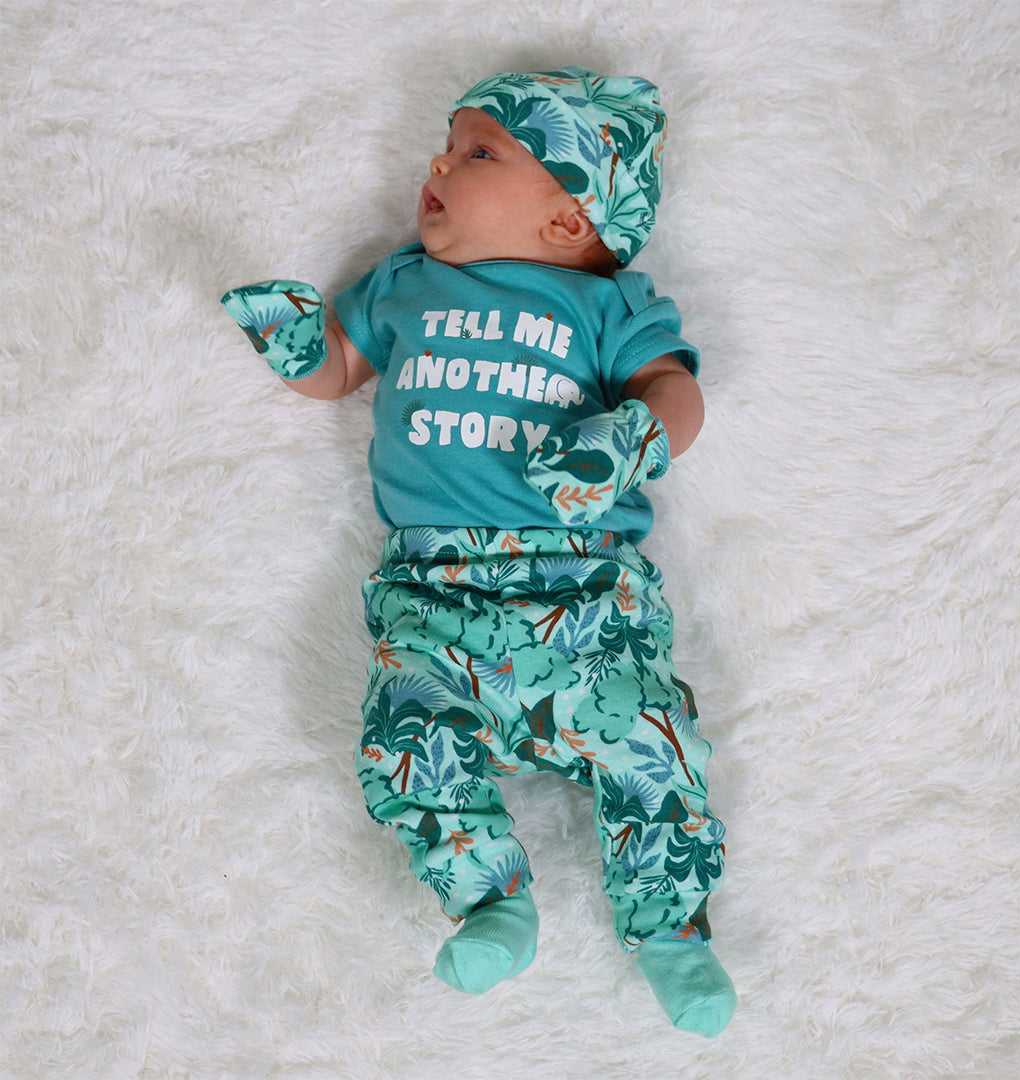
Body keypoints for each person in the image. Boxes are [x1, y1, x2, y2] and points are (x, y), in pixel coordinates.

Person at [220, 65, 736, 1038]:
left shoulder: (608, 307)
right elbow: (342, 369)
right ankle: (487, 896)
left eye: (478, 152)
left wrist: (628, 440)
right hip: (434, 599)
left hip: (584, 598)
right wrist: (300, 348)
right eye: (449, 145)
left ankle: (671, 927)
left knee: (652, 744)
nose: (438, 165)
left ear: (570, 218)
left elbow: (676, 393)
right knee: (403, 738)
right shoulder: (404, 285)